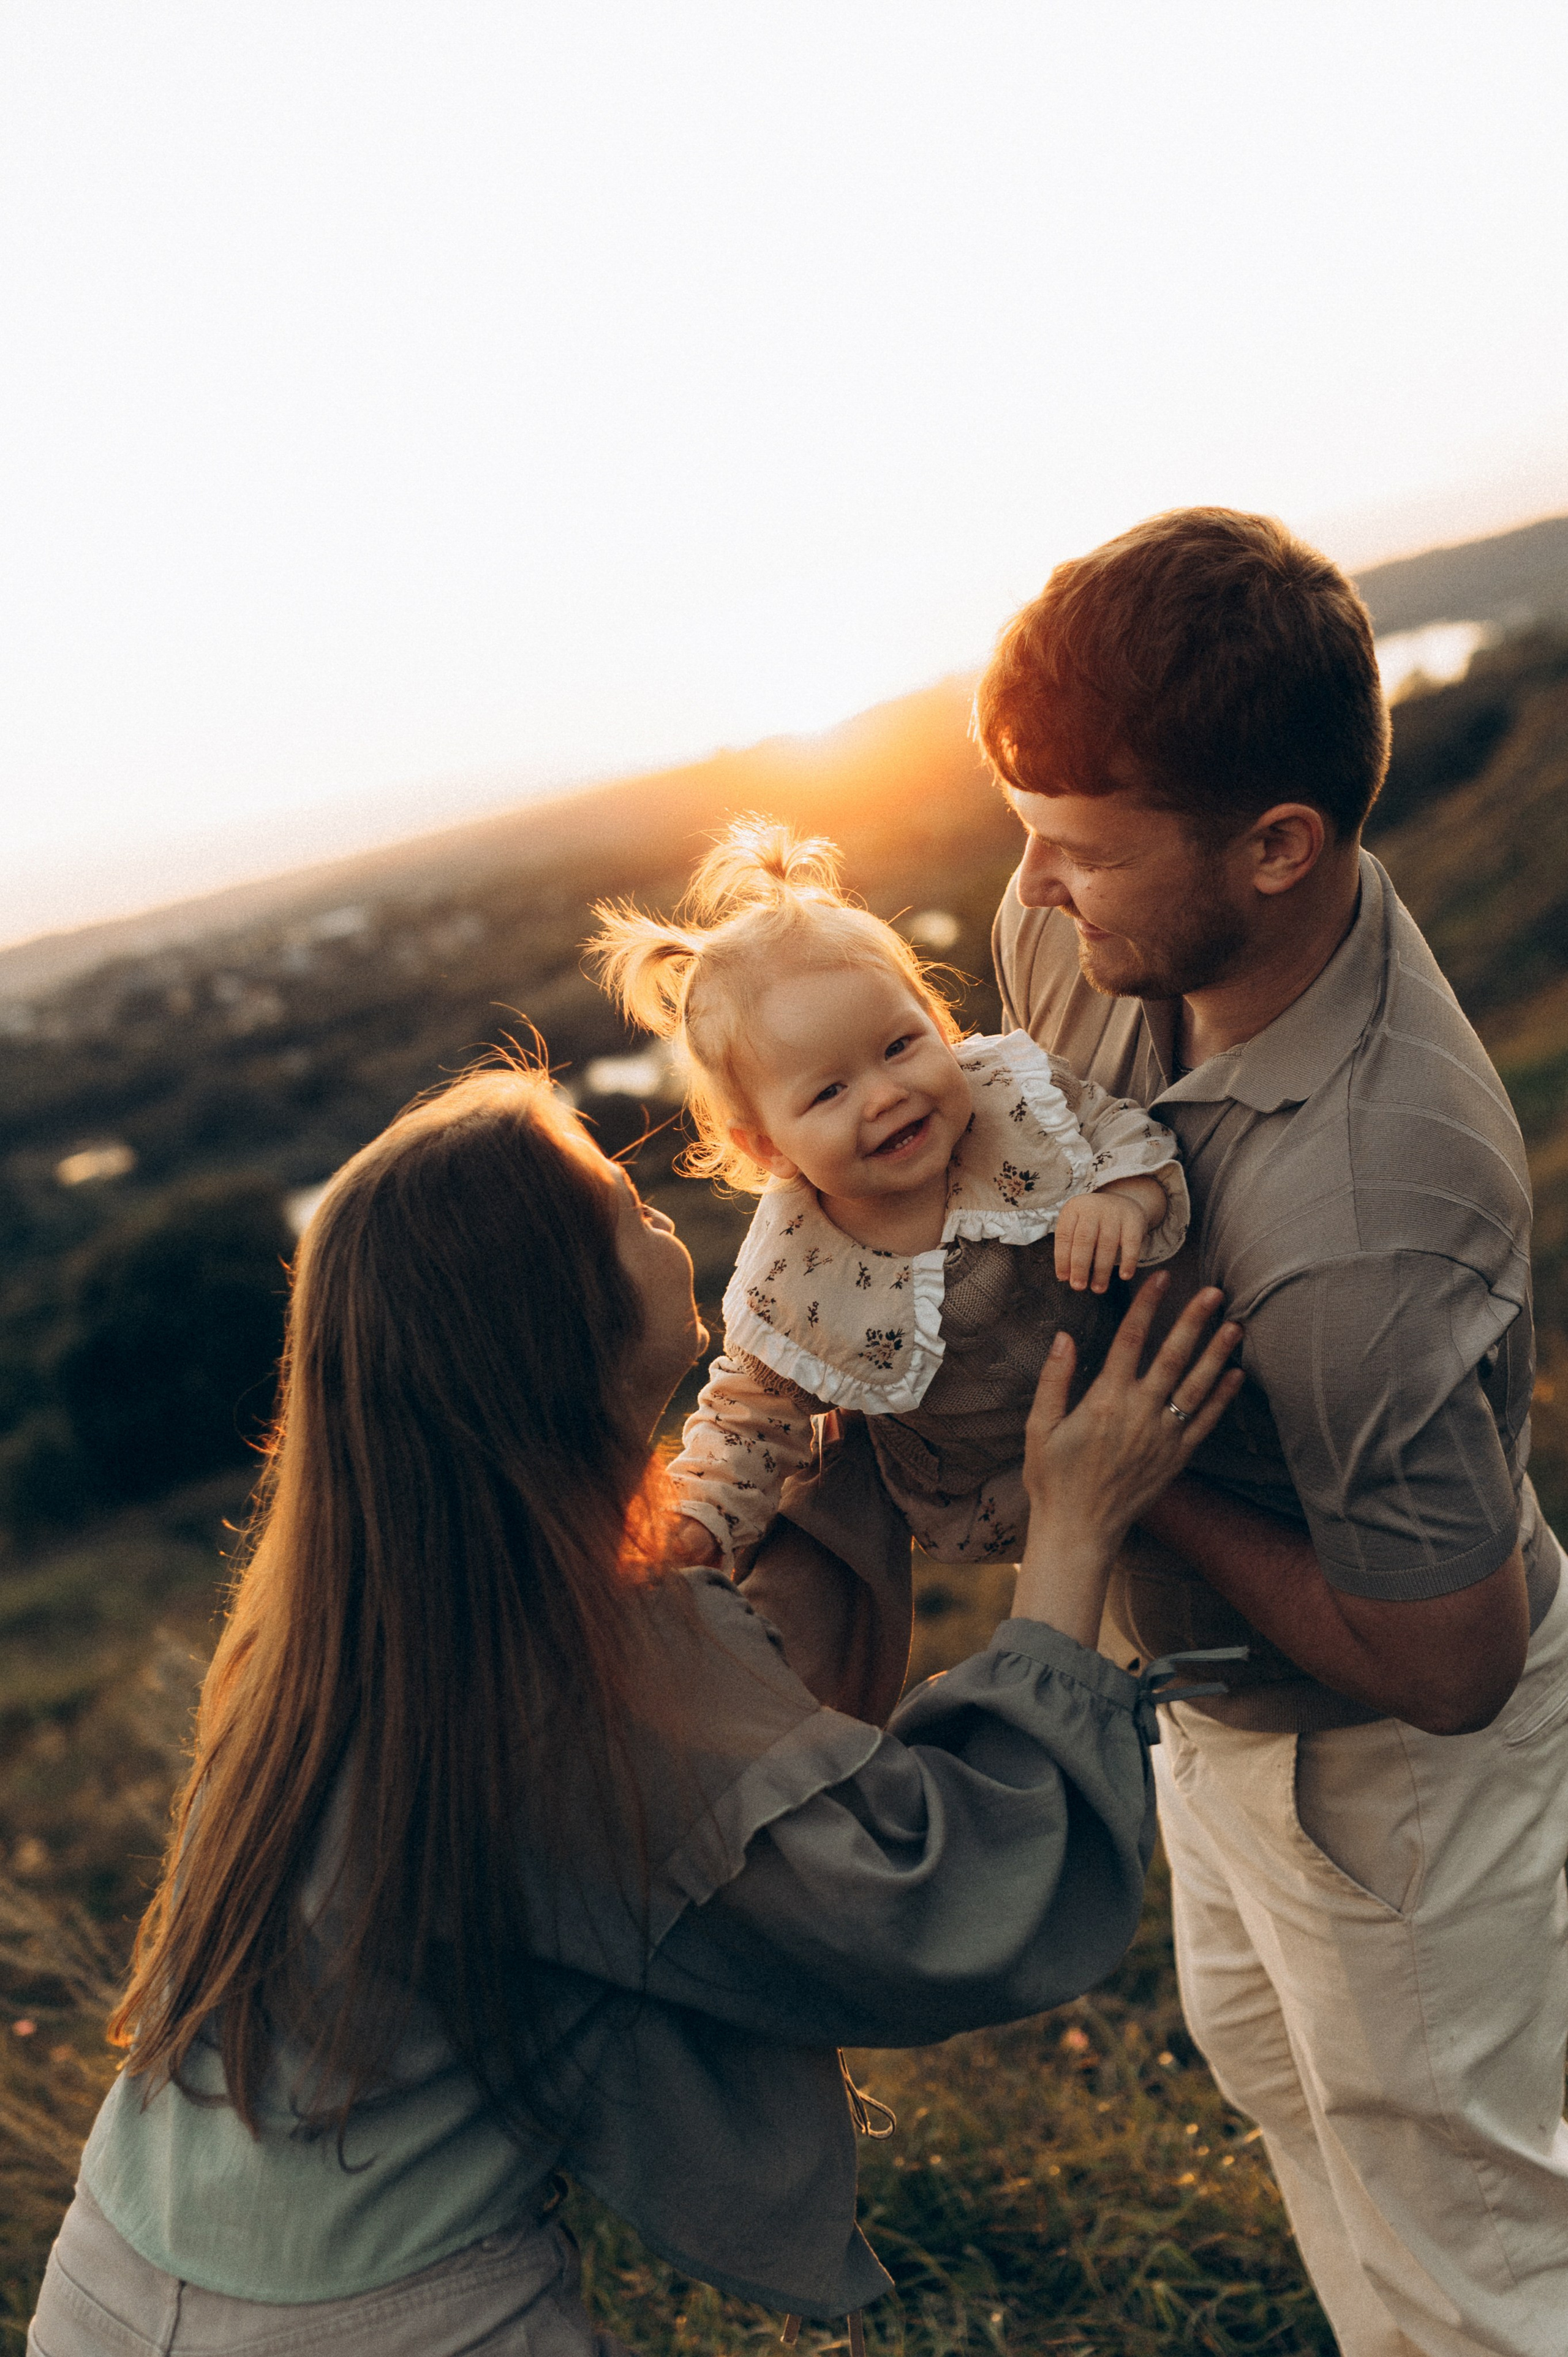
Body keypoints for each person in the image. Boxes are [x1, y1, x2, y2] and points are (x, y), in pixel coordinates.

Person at [30, 1058, 1242, 2357]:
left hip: (106, 2280)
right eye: (630, 1205)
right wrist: (1073, 1529)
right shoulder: (568, 1669)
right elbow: (927, 1906)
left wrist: (845, 1392)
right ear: (564, 1325)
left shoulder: (359, 1603)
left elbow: (726, 1745)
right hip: (367, 2323)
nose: (668, 1215)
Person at [974, 506, 1567, 2357]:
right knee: (1304, 2124)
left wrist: (1123, 1485)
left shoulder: (1376, 1213)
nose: (1032, 891)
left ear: (1280, 845)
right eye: (1024, 834)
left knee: (1476, 2270)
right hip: (1214, 1727)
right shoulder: (1087, 927)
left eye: (1076, 850)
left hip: (1392, 1782)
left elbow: (1450, 1661)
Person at [590, 818, 1187, 1716]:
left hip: (1149, 1403)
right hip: (990, 1497)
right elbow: (749, 1415)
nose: (886, 1094)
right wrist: (698, 1521)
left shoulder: (1010, 1097)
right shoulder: (793, 1268)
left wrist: (1125, 1198)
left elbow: (1120, 1134)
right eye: (828, 1093)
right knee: (1113, 1642)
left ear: (938, 1022)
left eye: (901, 1045)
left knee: (1193, 1584)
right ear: (766, 1147)